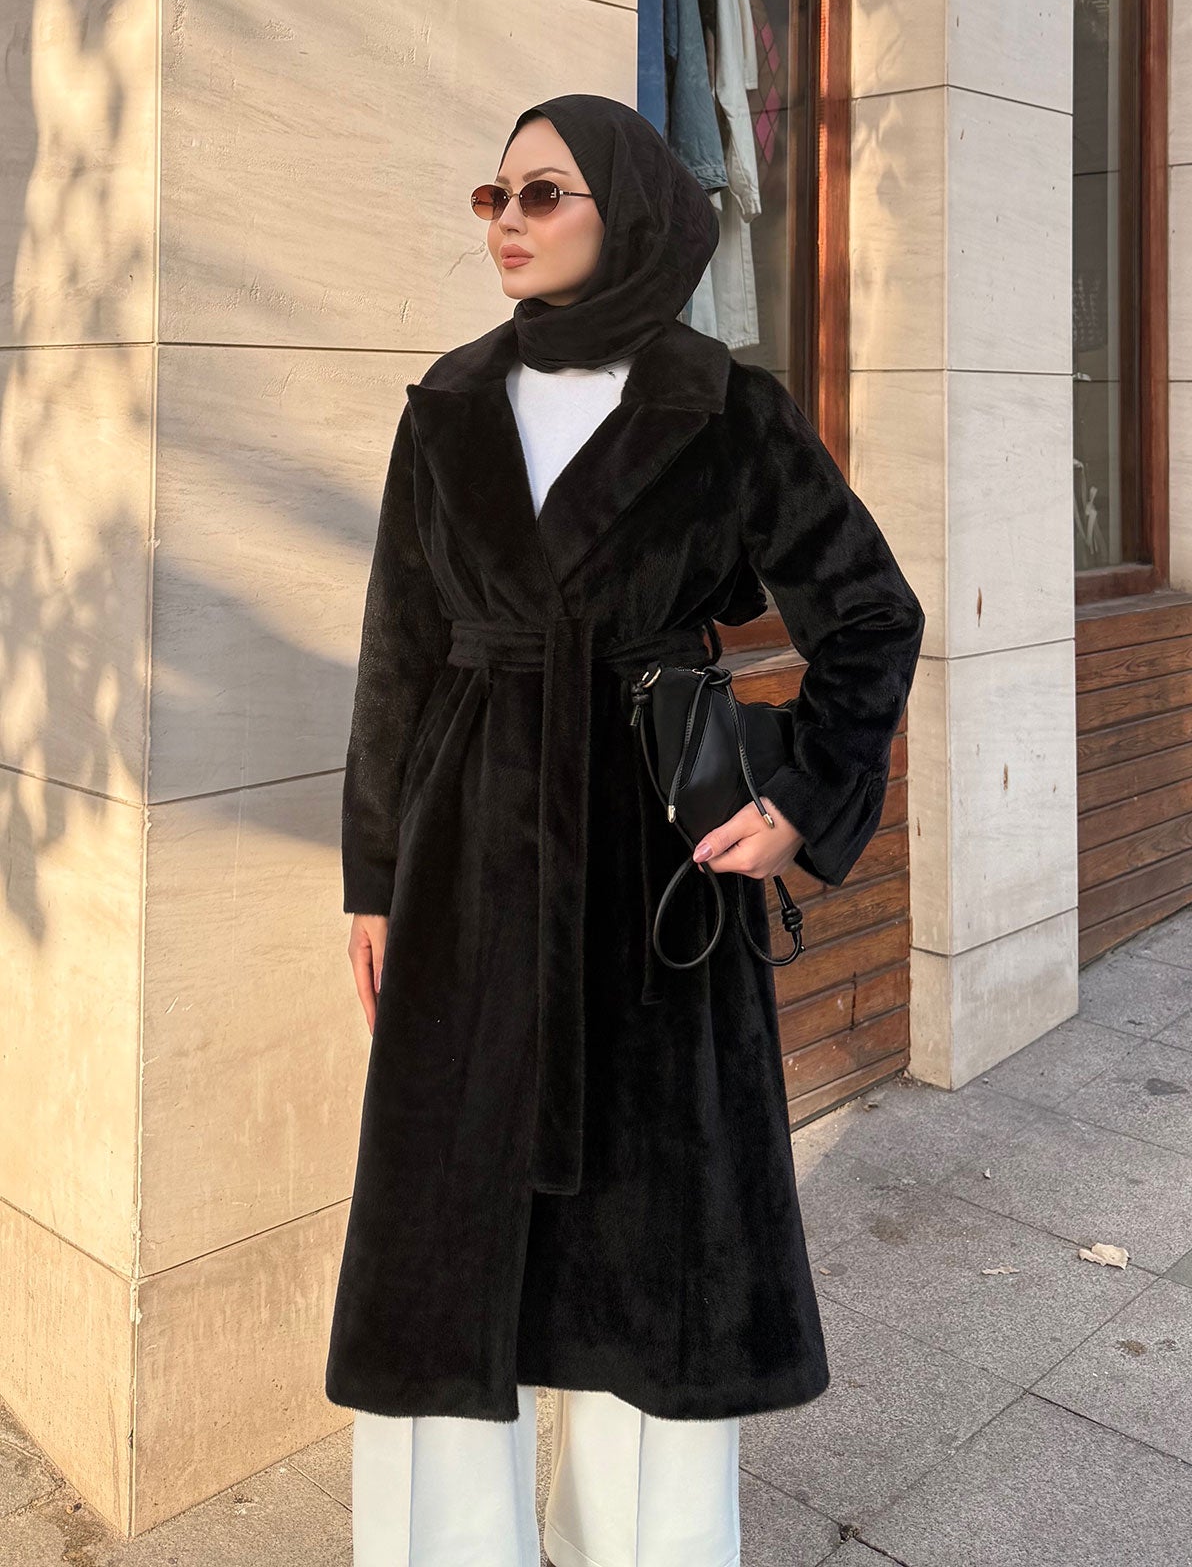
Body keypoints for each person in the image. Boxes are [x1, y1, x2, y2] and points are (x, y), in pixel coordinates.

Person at [326, 94, 926, 1565]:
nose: (508, 220)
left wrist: (799, 802)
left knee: (657, 1248)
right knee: (448, 1248)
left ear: (633, 211)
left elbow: (869, 615)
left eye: (544, 192)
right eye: (494, 195)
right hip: (469, 860)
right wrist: (376, 879)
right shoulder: (449, 403)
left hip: (654, 867)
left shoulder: (723, 408)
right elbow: (399, 654)